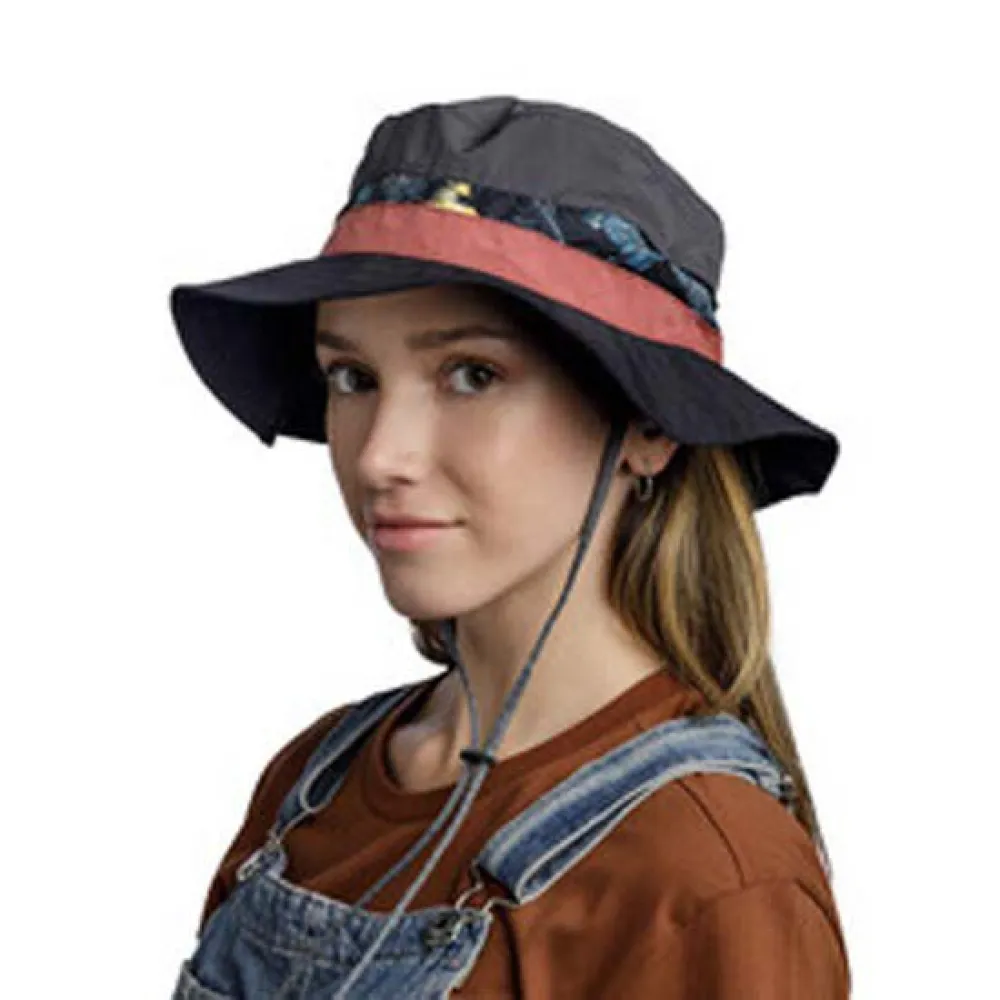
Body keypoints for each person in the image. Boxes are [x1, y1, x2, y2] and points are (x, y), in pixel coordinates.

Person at [168, 95, 851, 998]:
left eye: (473, 374)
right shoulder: (312, 783)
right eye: (353, 377)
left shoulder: (702, 873)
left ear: (647, 426)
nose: (379, 456)